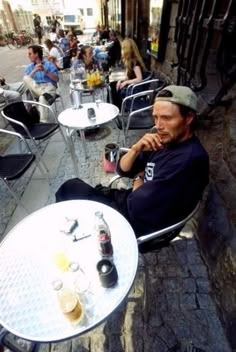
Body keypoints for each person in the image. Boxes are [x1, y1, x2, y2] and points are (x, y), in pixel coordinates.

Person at [55, 85, 209, 237]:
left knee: (70, 193)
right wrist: (136, 149)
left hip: (134, 224)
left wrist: (138, 178)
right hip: (127, 203)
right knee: (69, 188)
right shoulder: (165, 140)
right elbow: (122, 169)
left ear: (188, 118)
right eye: (156, 117)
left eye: (167, 118)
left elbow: (137, 207)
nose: (158, 126)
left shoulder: (188, 160)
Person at [23, 45, 59, 122]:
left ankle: (43, 122)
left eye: (30, 54)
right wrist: (34, 70)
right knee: (25, 78)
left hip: (48, 87)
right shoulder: (29, 67)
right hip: (36, 89)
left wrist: (45, 71)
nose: (28, 56)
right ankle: (44, 94)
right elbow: (26, 82)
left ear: (36, 54)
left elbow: (57, 79)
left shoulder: (49, 64)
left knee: (42, 98)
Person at [109, 38, 146, 109]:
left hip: (135, 88)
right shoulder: (128, 61)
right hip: (131, 85)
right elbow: (127, 76)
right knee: (112, 84)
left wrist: (126, 83)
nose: (121, 51)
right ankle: (115, 106)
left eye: (123, 49)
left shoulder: (135, 63)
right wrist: (120, 81)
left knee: (114, 89)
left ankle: (117, 108)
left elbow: (139, 79)